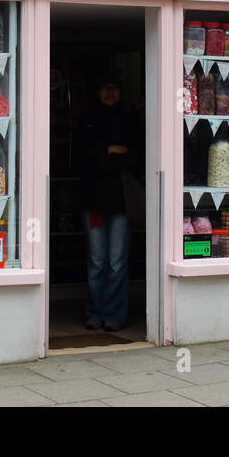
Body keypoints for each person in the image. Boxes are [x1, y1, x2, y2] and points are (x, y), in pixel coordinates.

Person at [76, 73, 139, 331]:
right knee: (97, 261)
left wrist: (101, 153)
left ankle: (113, 315)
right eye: (106, 88)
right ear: (98, 91)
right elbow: (80, 157)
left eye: (115, 88)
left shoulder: (130, 119)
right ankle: (94, 313)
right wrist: (110, 150)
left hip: (122, 202)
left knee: (116, 262)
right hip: (93, 202)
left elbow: (136, 156)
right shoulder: (87, 119)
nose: (110, 93)